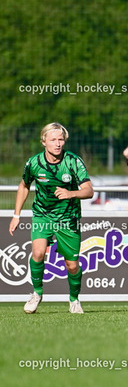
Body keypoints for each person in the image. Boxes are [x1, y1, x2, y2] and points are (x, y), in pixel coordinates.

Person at [9, 122, 94, 314]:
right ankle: (37, 293)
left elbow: (89, 191)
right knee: (38, 253)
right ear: (43, 141)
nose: (58, 143)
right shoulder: (33, 163)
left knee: (72, 265)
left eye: (61, 139)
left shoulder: (73, 161)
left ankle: (74, 299)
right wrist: (16, 215)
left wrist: (70, 193)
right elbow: (24, 186)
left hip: (68, 218)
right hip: (42, 215)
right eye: (53, 139)